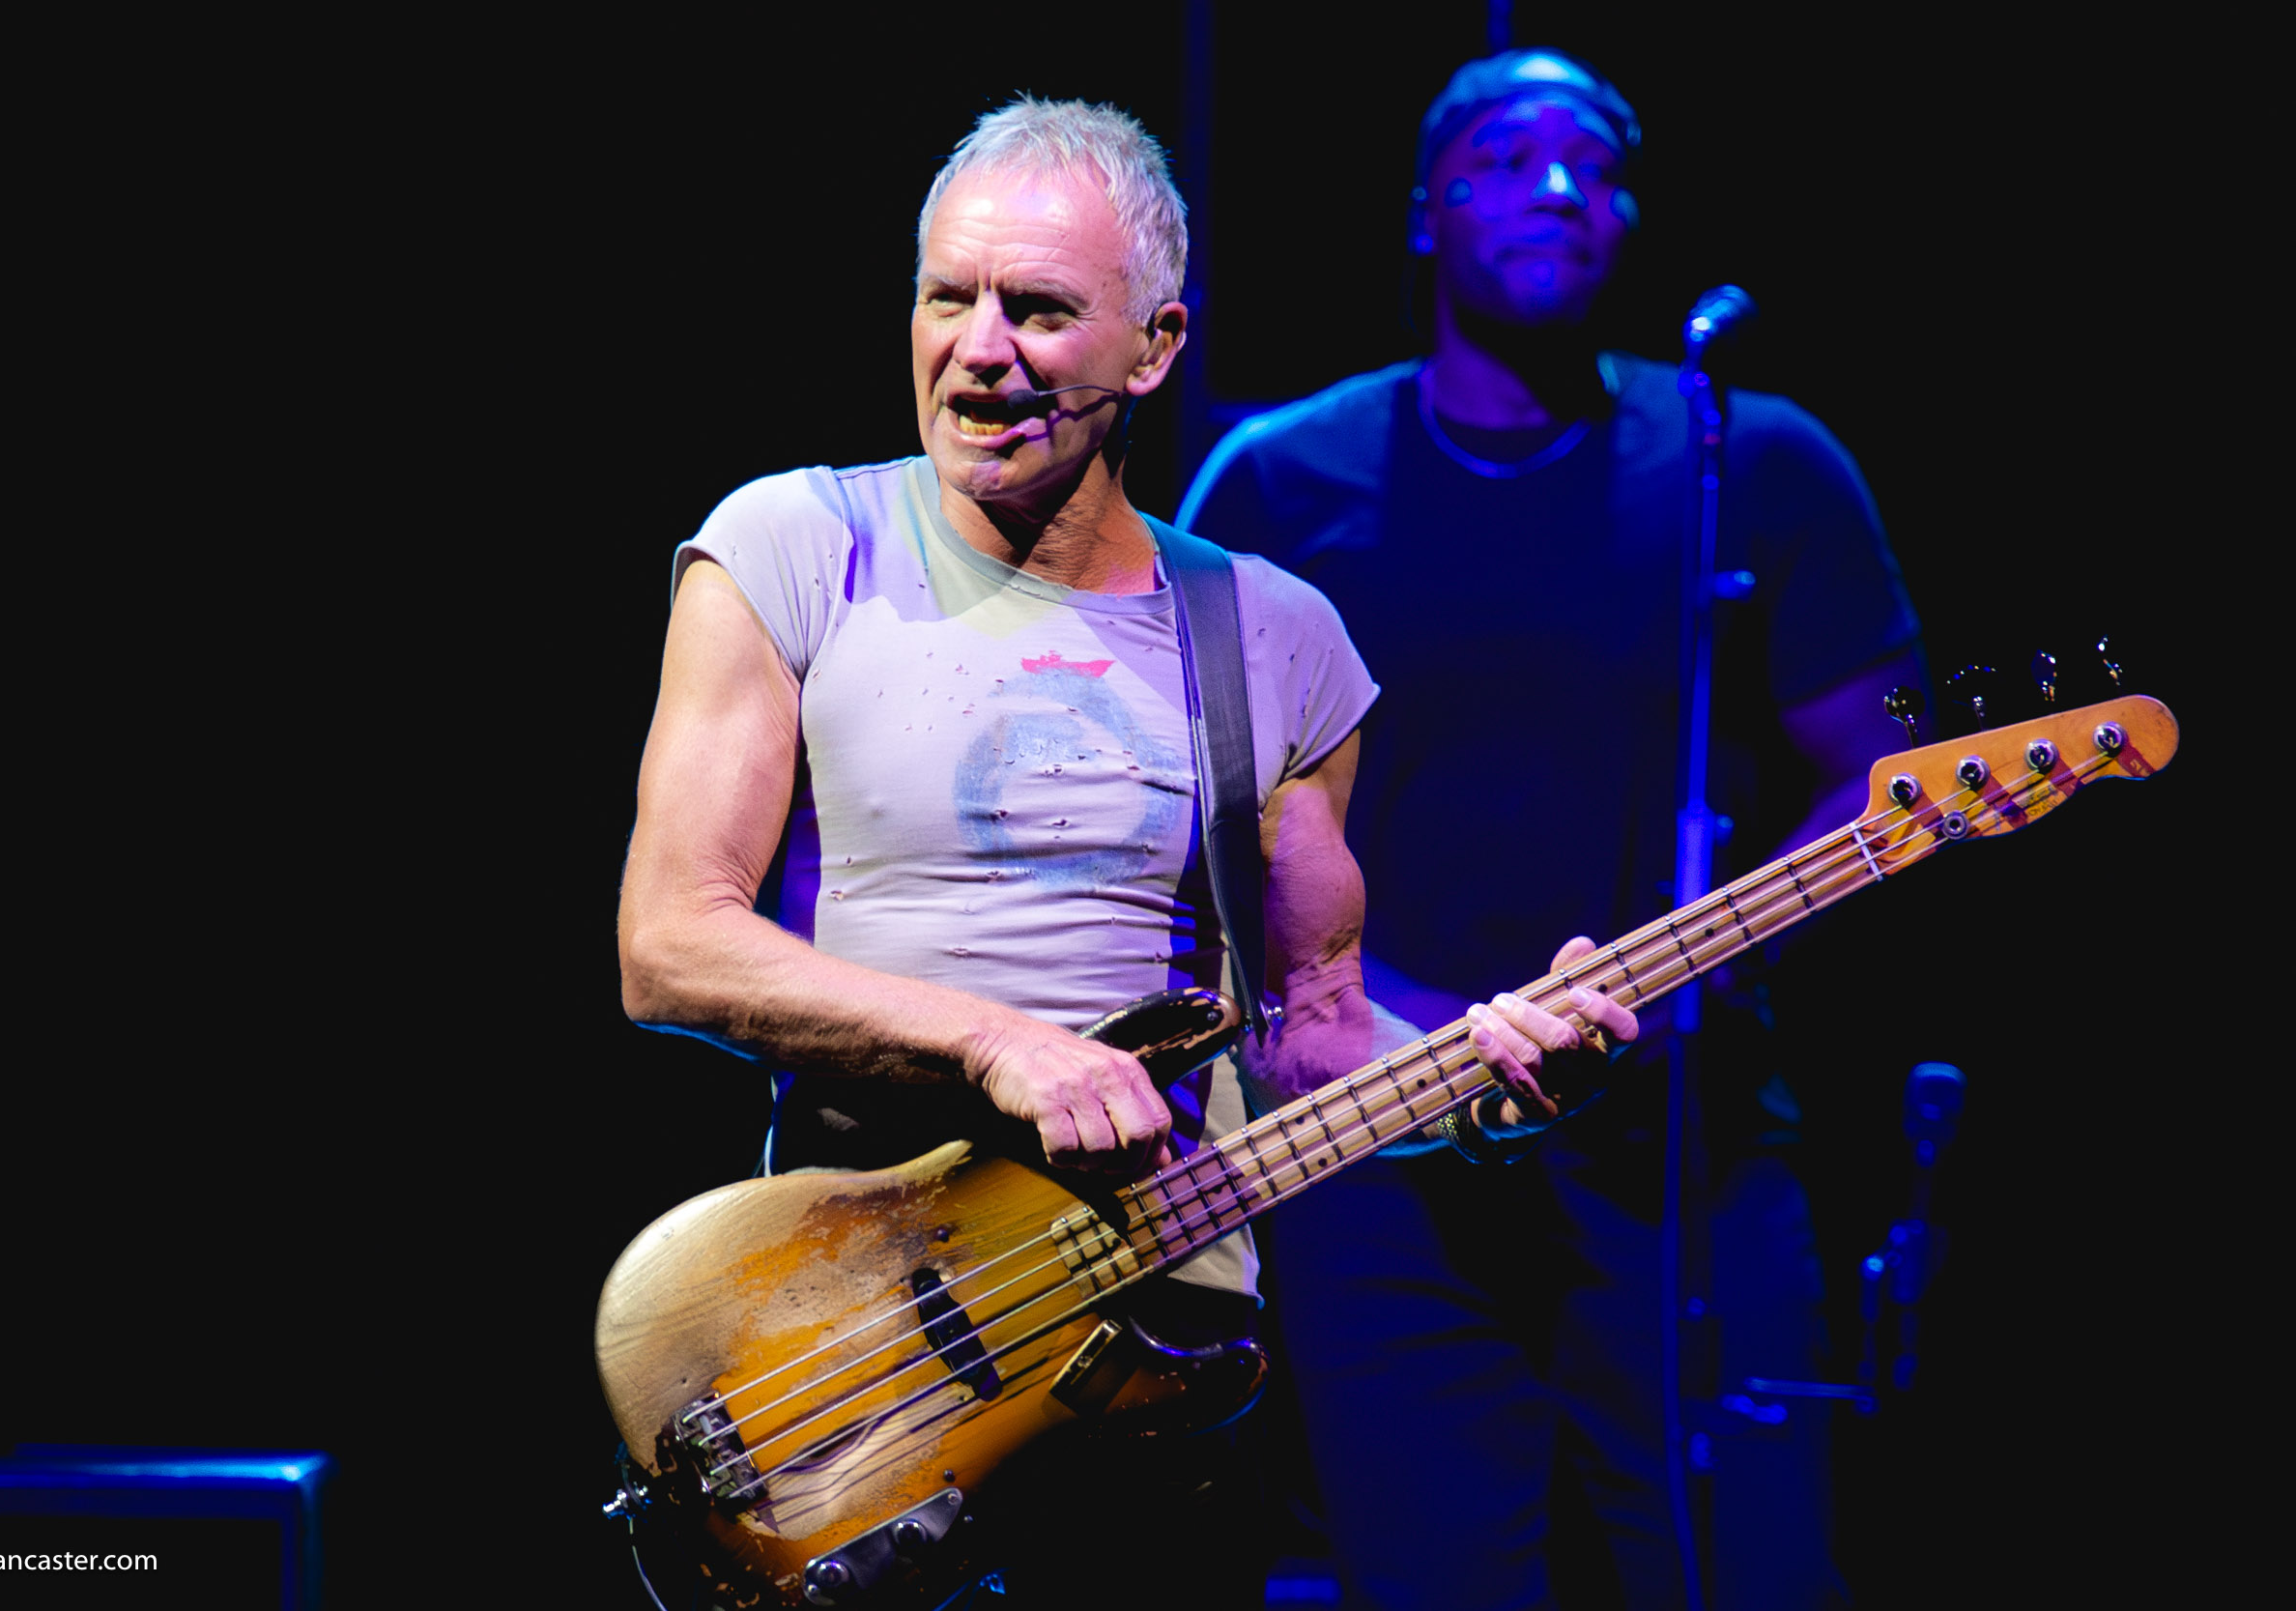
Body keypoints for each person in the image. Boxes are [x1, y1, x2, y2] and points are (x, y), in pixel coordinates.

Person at [615, 97, 1640, 1609]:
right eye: (948, 298)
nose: (980, 348)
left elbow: (1312, 1034)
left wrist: (1482, 1084)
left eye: (1037, 310)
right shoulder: (793, 547)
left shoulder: (1274, 635)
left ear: (1156, 348)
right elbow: (671, 943)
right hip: (872, 1332)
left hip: (1163, 1356)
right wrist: (1002, 1045)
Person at [1176, 49, 1924, 1611]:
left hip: (1681, 1140)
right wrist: (1367, 1025)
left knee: (1750, 1571)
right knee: (1435, 1577)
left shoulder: (1750, 461)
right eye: (1508, 160)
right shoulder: (1280, 480)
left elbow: (1882, 769)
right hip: (1380, 1144)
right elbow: (1195, 814)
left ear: (1630, 220)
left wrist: (1711, 956)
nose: (1559, 188)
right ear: (1425, 214)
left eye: (1594, 164)